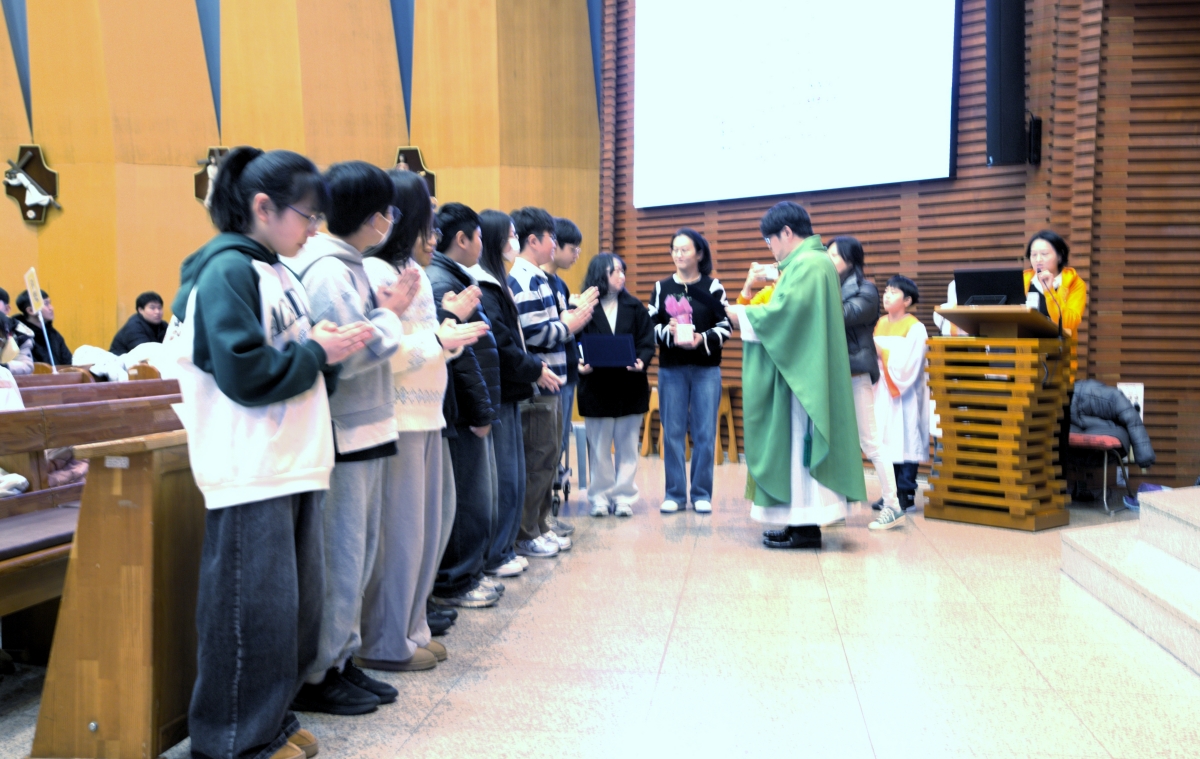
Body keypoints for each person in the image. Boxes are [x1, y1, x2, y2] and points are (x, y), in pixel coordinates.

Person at [164, 147, 374, 759]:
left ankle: (270, 721)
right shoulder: (227, 271)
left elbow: (297, 357)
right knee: (247, 613)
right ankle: (231, 741)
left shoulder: (277, 270)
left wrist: (326, 351)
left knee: (290, 614)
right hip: (250, 465)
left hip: (293, 459)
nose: (314, 229)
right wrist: (315, 353)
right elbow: (245, 372)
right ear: (263, 207)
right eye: (307, 216)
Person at [286, 161, 416, 715]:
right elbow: (351, 350)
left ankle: (343, 659)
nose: (391, 221)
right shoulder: (327, 270)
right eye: (387, 211)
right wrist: (391, 316)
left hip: (368, 427)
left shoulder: (351, 264)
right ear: (370, 216)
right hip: (344, 432)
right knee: (339, 561)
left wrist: (385, 315)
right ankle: (318, 673)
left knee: (358, 557)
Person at [358, 171, 487, 673]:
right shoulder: (375, 272)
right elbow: (380, 353)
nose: (434, 237)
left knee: (430, 531)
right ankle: (385, 640)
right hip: (400, 419)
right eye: (426, 225)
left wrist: (448, 336)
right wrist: (438, 340)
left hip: (429, 415)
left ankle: (412, 630)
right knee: (401, 536)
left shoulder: (411, 269)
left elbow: (428, 343)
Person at [727, 202, 866, 549]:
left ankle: (806, 527)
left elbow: (786, 315)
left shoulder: (809, 264)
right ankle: (797, 521)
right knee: (793, 451)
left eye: (770, 240)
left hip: (804, 377)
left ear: (786, 232)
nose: (770, 249)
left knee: (799, 449)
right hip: (801, 370)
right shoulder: (810, 262)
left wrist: (741, 315)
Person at [472, 210, 562, 576]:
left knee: (526, 468)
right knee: (513, 472)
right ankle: (507, 545)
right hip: (507, 387)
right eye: (510, 235)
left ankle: (514, 541)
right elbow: (504, 342)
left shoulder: (499, 280)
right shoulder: (490, 283)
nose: (515, 241)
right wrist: (535, 367)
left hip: (515, 386)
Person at [427, 202, 505, 608]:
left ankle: (469, 574)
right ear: (462, 239)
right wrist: (479, 411)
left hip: (470, 406)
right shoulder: (443, 281)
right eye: (478, 237)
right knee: (468, 502)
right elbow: (462, 358)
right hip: (461, 411)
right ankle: (457, 581)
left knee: (477, 499)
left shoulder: (453, 275)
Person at [508, 206, 597, 558]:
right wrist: (570, 325)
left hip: (554, 380)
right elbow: (535, 334)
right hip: (540, 383)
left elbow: (548, 325)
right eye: (553, 239)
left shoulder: (539, 278)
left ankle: (540, 525)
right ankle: (528, 532)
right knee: (539, 458)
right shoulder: (525, 278)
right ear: (534, 241)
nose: (556, 245)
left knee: (547, 458)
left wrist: (570, 320)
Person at [648, 228, 732, 514]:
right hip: (671, 369)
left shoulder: (712, 287)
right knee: (672, 433)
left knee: (705, 433)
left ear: (699, 253)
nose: (679, 254)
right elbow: (649, 327)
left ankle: (701, 493)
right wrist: (668, 331)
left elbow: (726, 325)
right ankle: (674, 494)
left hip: (706, 369)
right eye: (675, 249)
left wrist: (702, 338)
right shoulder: (661, 288)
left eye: (685, 249)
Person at [825, 236, 900, 516]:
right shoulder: (829, 286)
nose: (828, 259)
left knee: (870, 442)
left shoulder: (866, 289)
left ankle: (892, 504)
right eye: (827, 253)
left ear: (851, 260)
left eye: (834, 255)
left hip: (855, 372)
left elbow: (842, 315)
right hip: (831, 373)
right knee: (834, 442)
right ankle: (836, 506)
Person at [577, 253, 656, 516]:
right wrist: (579, 362)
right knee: (599, 448)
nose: (621, 276)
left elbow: (647, 341)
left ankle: (624, 497)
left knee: (628, 446)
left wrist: (642, 361)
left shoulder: (635, 306)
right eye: (615, 271)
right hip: (596, 386)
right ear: (601, 275)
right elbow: (573, 341)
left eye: (623, 271)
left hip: (629, 385)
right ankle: (600, 497)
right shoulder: (583, 308)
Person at [867, 275, 930, 530]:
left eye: (893, 292)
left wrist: (883, 354)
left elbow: (911, 362)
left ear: (907, 300)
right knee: (885, 440)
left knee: (905, 440)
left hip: (904, 393)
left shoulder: (915, 327)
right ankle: (890, 493)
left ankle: (906, 493)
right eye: (886, 291)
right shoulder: (880, 323)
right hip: (882, 390)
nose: (887, 295)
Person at [541, 216, 585, 538]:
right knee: (545, 449)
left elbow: (568, 330)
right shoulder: (537, 282)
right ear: (554, 246)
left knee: (557, 446)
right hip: (549, 375)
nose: (576, 255)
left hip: (568, 372)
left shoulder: (560, 284)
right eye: (573, 248)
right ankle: (540, 519)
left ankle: (546, 516)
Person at [1024, 229, 1087, 335]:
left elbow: (1068, 324)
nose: (1038, 259)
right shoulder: (1023, 280)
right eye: (1033, 255)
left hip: (1058, 344)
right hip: (1023, 344)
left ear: (1059, 256)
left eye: (1044, 254)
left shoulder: (1075, 284)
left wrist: (1050, 291)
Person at [16, 289, 72, 366]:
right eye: (46, 304)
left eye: (50, 303)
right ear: (30, 310)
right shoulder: (21, 337)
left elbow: (68, 363)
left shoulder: (53, 334)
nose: (51, 308)